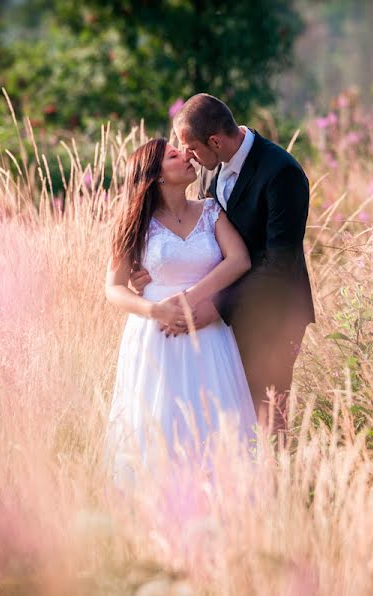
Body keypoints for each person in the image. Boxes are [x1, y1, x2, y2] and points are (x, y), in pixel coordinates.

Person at [131, 93, 315, 435]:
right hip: (223, 327)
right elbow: (208, 242)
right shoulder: (211, 171)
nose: (189, 157)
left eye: (192, 149)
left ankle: (279, 485)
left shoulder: (281, 172)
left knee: (267, 420)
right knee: (224, 421)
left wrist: (216, 305)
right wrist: (152, 274)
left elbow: (280, 263)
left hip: (273, 316)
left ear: (214, 141)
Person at [103, 137, 258, 488]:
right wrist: (153, 309)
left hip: (209, 334)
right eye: (174, 155)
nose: (186, 155)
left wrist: (193, 297)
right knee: (160, 422)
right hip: (157, 338)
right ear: (155, 175)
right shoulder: (134, 224)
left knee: (216, 422)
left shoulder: (210, 210)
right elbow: (112, 288)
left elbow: (240, 260)